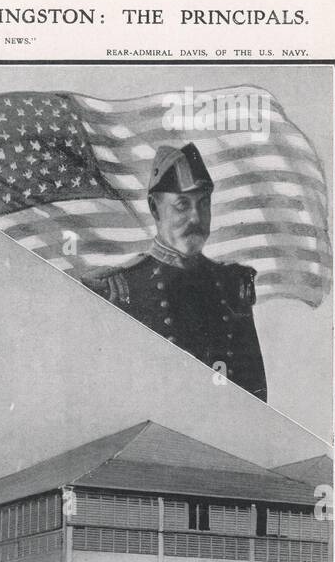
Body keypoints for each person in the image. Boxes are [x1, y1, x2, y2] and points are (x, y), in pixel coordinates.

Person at [83, 141, 267, 400]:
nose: (196, 218)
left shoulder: (231, 283)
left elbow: (254, 391)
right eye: (182, 205)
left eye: (203, 203)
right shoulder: (121, 287)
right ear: (154, 207)